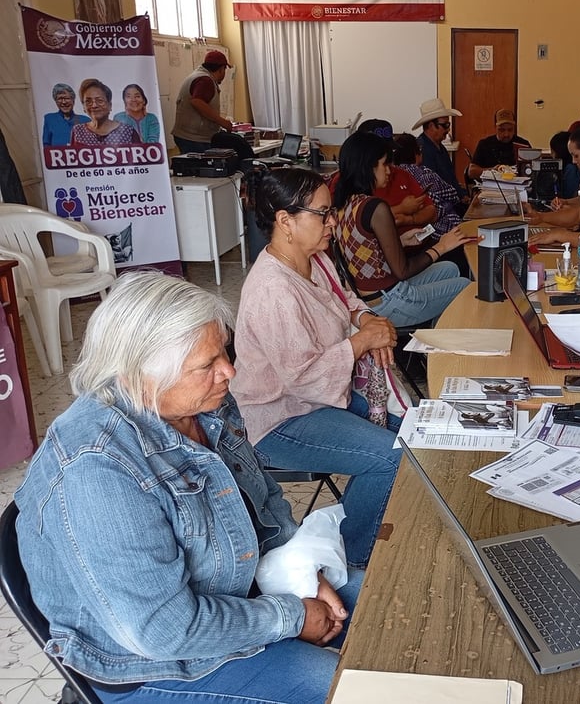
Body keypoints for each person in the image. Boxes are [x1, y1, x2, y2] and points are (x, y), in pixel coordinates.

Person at [15, 271, 362, 703]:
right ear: (143, 376)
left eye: (224, 353)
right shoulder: (99, 469)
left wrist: (302, 572)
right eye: (208, 365)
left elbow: (265, 508)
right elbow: (163, 629)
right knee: (348, 689)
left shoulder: (204, 404)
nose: (229, 371)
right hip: (151, 664)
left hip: (235, 594)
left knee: (384, 601)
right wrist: (291, 615)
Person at [232, 166, 402, 569]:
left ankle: (375, 524)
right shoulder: (272, 289)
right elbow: (304, 378)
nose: (333, 222)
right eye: (323, 214)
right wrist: (362, 341)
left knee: (413, 435)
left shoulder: (316, 259)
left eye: (332, 211)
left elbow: (346, 301)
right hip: (280, 417)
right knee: (390, 458)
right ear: (285, 221)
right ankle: (354, 562)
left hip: (321, 399)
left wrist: (367, 321)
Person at [333, 131, 475, 327]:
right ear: (368, 167)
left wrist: (400, 241)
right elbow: (403, 271)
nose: (390, 170)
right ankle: (434, 346)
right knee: (465, 286)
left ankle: (432, 334)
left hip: (372, 294)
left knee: (449, 268)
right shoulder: (375, 207)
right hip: (388, 301)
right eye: (384, 164)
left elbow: (361, 247)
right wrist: (442, 247)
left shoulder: (345, 203)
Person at [392, 132, 472, 279]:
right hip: (436, 232)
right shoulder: (423, 173)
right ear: (416, 152)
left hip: (414, 240)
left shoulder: (393, 178)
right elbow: (451, 195)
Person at [352, 119, 436, 234]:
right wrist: (402, 208)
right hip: (387, 249)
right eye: (379, 153)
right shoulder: (350, 182)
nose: (387, 157)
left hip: (420, 241)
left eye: (389, 151)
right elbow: (358, 221)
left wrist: (409, 219)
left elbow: (431, 210)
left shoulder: (401, 174)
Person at [172, 49, 233, 154]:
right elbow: (197, 102)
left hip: (188, 135)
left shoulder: (198, 75)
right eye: (224, 69)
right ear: (221, 69)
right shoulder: (205, 80)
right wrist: (223, 122)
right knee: (203, 169)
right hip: (194, 138)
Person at [413, 97, 465, 197]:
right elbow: (433, 188)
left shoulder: (440, 147)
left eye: (448, 124)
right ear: (431, 126)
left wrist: (462, 194)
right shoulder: (423, 150)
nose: (448, 129)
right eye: (445, 125)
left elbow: (451, 179)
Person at [70, 79, 141, 146]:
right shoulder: (78, 132)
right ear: (84, 107)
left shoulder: (128, 132)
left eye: (99, 101)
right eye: (88, 101)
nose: (94, 105)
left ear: (110, 105)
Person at [467, 108, 531, 180]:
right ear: (495, 127)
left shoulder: (523, 145)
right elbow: (471, 172)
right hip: (491, 187)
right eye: (501, 130)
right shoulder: (485, 144)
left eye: (510, 130)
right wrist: (492, 171)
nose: (506, 134)